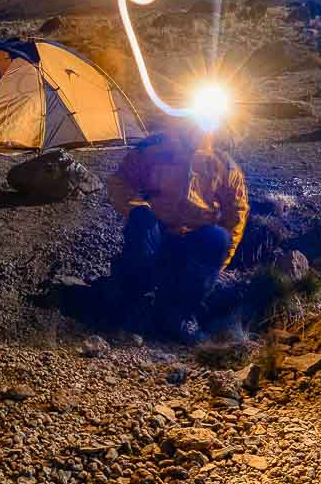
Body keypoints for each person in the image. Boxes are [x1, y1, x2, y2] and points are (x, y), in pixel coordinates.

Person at [105, 123, 248, 339]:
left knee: (218, 238)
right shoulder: (154, 150)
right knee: (141, 220)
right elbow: (119, 181)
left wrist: (220, 263)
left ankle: (179, 314)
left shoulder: (223, 166)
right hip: (157, 236)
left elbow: (236, 213)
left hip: (192, 243)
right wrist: (136, 207)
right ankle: (132, 305)